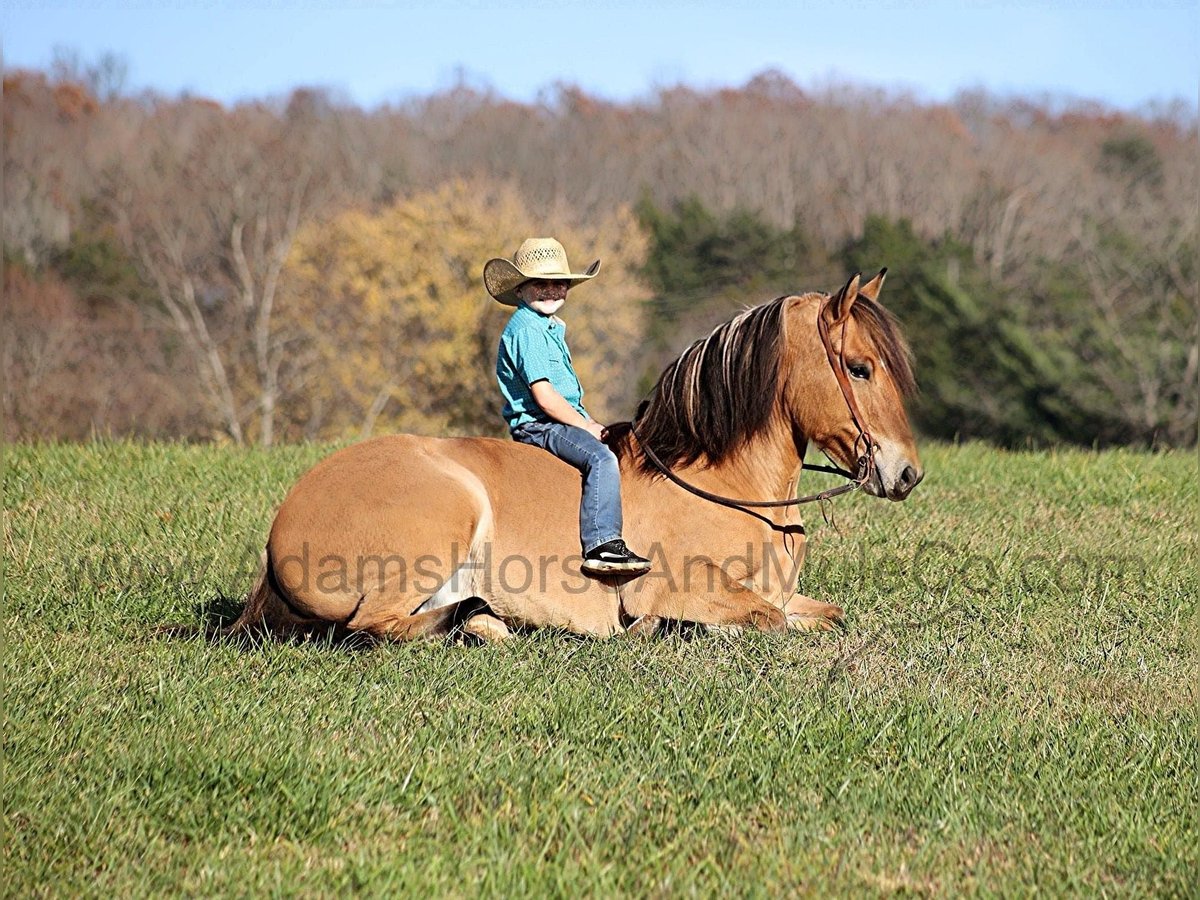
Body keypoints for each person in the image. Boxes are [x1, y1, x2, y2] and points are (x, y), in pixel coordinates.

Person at [484, 237, 651, 576]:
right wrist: (587, 427)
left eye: (559, 283)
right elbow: (545, 396)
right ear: (520, 289)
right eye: (540, 284)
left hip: (557, 419)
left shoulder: (545, 327)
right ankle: (602, 544)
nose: (551, 291)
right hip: (538, 424)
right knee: (600, 457)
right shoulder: (527, 330)